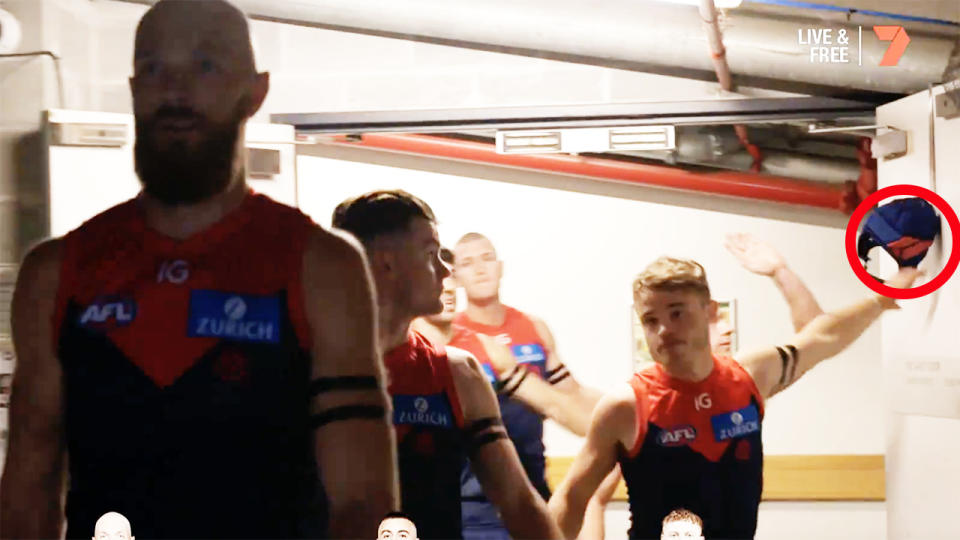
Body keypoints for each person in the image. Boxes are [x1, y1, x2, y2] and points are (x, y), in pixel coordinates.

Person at [0, 2, 397, 538]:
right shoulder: (57, 273)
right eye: (155, 67)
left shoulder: (322, 267)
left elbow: (362, 503)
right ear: (135, 88)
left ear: (254, 93)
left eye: (205, 66)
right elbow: (27, 494)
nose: (175, 90)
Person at [548, 256, 920, 540]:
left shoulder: (748, 376)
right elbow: (572, 498)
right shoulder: (627, 405)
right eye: (650, 320)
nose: (663, 331)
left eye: (676, 313)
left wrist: (883, 298)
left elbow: (821, 338)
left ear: (709, 312)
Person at [333, 190, 562, 540]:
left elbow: (520, 504)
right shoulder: (304, 370)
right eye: (431, 254)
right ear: (387, 264)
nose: (445, 270)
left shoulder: (458, 373)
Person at [579, 232, 827, 539]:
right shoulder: (639, 404)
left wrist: (781, 272)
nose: (728, 330)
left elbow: (815, 338)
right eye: (715, 324)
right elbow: (589, 495)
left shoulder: (742, 383)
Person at [451, 232, 601, 539]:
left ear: (501, 267)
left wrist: (634, 410)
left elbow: (571, 395)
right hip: (475, 502)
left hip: (534, 490)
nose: (480, 269)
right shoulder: (454, 336)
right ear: (455, 277)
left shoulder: (534, 327)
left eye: (487, 258)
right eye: (467, 263)